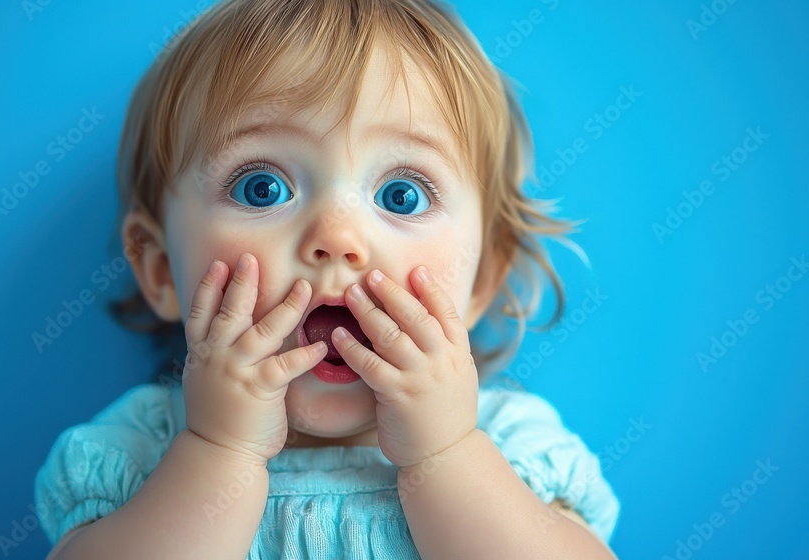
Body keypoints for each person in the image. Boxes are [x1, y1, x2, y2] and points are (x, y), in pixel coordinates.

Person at [35, 0, 620, 557]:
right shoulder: (142, 448)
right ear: (162, 270)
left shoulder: (512, 446)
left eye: (402, 195)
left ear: (483, 279)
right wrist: (219, 452)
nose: (337, 237)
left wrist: (447, 455)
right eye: (260, 188)